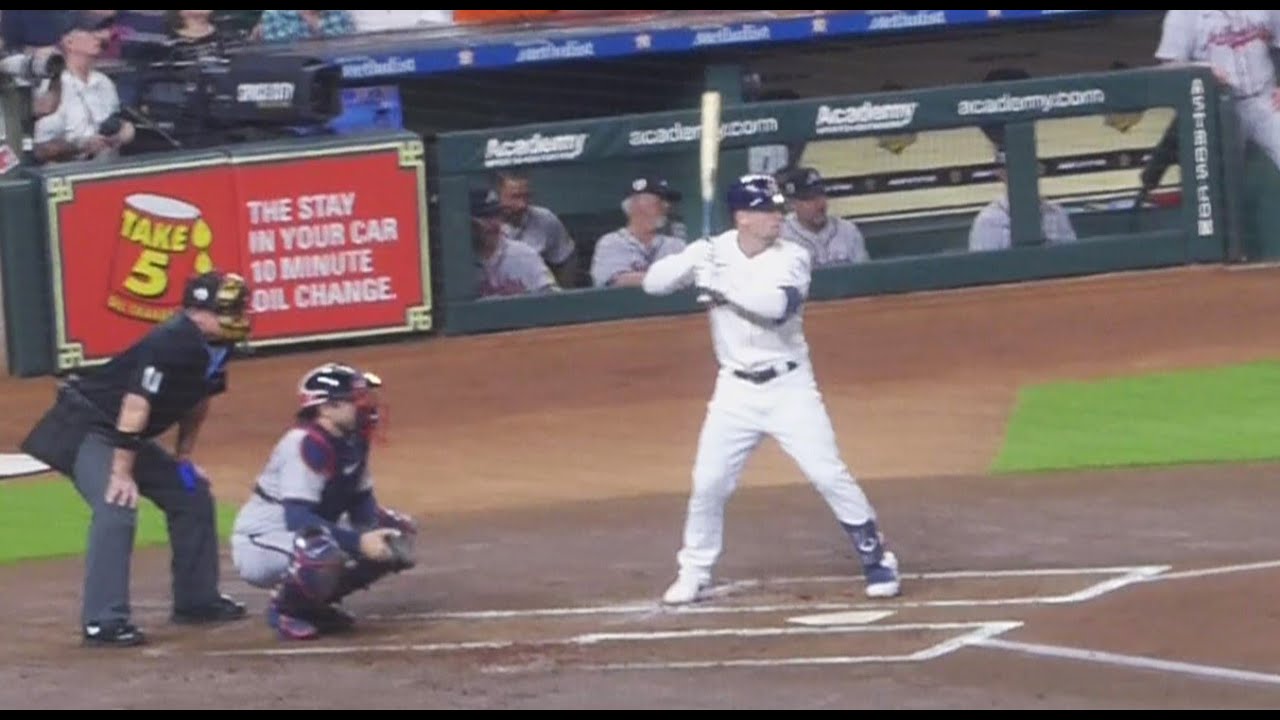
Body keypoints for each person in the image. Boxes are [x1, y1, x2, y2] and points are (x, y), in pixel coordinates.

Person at [641, 174, 902, 605]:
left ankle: (878, 560)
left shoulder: (793, 256)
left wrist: (721, 285)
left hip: (789, 387)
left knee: (827, 473)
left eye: (778, 209)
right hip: (734, 391)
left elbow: (776, 309)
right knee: (708, 483)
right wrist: (695, 258)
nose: (778, 217)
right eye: (768, 210)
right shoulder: (714, 250)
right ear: (743, 217)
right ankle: (694, 571)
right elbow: (654, 284)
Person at [19, 270, 253, 647]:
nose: (239, 314)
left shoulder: (218, 345)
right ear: (197, 312)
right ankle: (103, 620)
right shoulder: (171, 341)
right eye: (228, 308)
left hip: (124, 434)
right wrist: (121, 473)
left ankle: (197, 601)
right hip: (87, 428)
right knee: (118, 504)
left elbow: (199, 399)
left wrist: (184, 457)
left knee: (190, 492)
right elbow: (135, 405)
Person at [229, 362, 418, 641]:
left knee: (394, 531)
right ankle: (286, 610)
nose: (366, 406)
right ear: (325, 407)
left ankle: (312, 606)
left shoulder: (353, 440)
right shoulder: (306, 444)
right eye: (356, 400)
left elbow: (361, 501)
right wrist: (359, 543)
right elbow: (298, 519)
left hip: (307, 531)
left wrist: (379, 539)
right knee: (320, 549)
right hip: (262, 540)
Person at [1155, 11, 1280, 171]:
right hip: (1216, 108)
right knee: (1222, 175)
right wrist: (1205, 71)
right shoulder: (1183, 14)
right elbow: (1169, 65)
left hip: (1266, 99)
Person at [968, 149, 1077, 252]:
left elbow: (1072, 259)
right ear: (1001, 174)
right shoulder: (988, 221)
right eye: (1015, 168)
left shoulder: (1057, 214)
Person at [590, 177, 687, 288]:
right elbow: (619, 281)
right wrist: (670, 277)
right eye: (660, 200)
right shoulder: (611, 243)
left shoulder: (676, 245)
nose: (666, 206)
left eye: (667, 202)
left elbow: (688, 278)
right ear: (636, 205)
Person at [471, 187, 558, 298]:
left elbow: (554, 300)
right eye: (484, 217)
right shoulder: (455, 263)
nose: (493, 224)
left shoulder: (523, 254)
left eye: (496, 215)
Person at [777, 166, 870, 267]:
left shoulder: (847, 230)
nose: (819, 205)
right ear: (792, 204)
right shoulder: (781, 236)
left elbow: (864, 275)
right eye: (810, 199)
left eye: (821, 196)